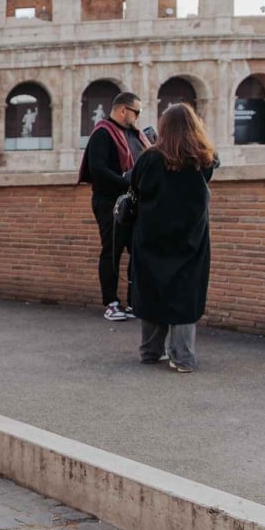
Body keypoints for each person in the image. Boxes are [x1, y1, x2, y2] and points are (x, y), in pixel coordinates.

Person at [130, 104, 219, 373]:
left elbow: (135, 187)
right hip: (190, 238)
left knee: (151, 291)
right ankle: (183, 358)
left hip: (152, 235)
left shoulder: (150, 158)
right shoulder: (203, 158)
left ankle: (150, 351)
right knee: (184, 294)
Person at [78, 91, 150, 322]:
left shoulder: (135, 134)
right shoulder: (103, 133)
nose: (138, 117)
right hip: (110, 202)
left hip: (134, 202)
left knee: (136, 250)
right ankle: (111, 303)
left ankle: (133, 302)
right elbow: (98, 171)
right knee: (111, 251)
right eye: (136, 112)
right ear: (123, 110)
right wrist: (128, 182)